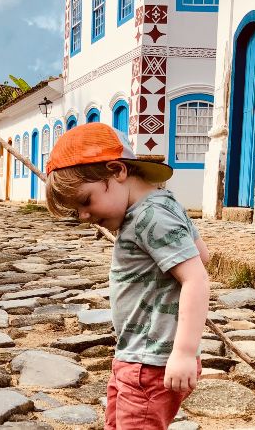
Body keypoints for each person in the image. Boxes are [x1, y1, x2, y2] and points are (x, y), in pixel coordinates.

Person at [43, 123, 210, 430]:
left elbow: (196, 277)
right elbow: (202, 254)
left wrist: (184, 353)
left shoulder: (152, 216)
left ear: (117, 171)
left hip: (151, 362)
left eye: (85, 201)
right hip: (135, 355)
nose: (83, 216)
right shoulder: (162, 204)